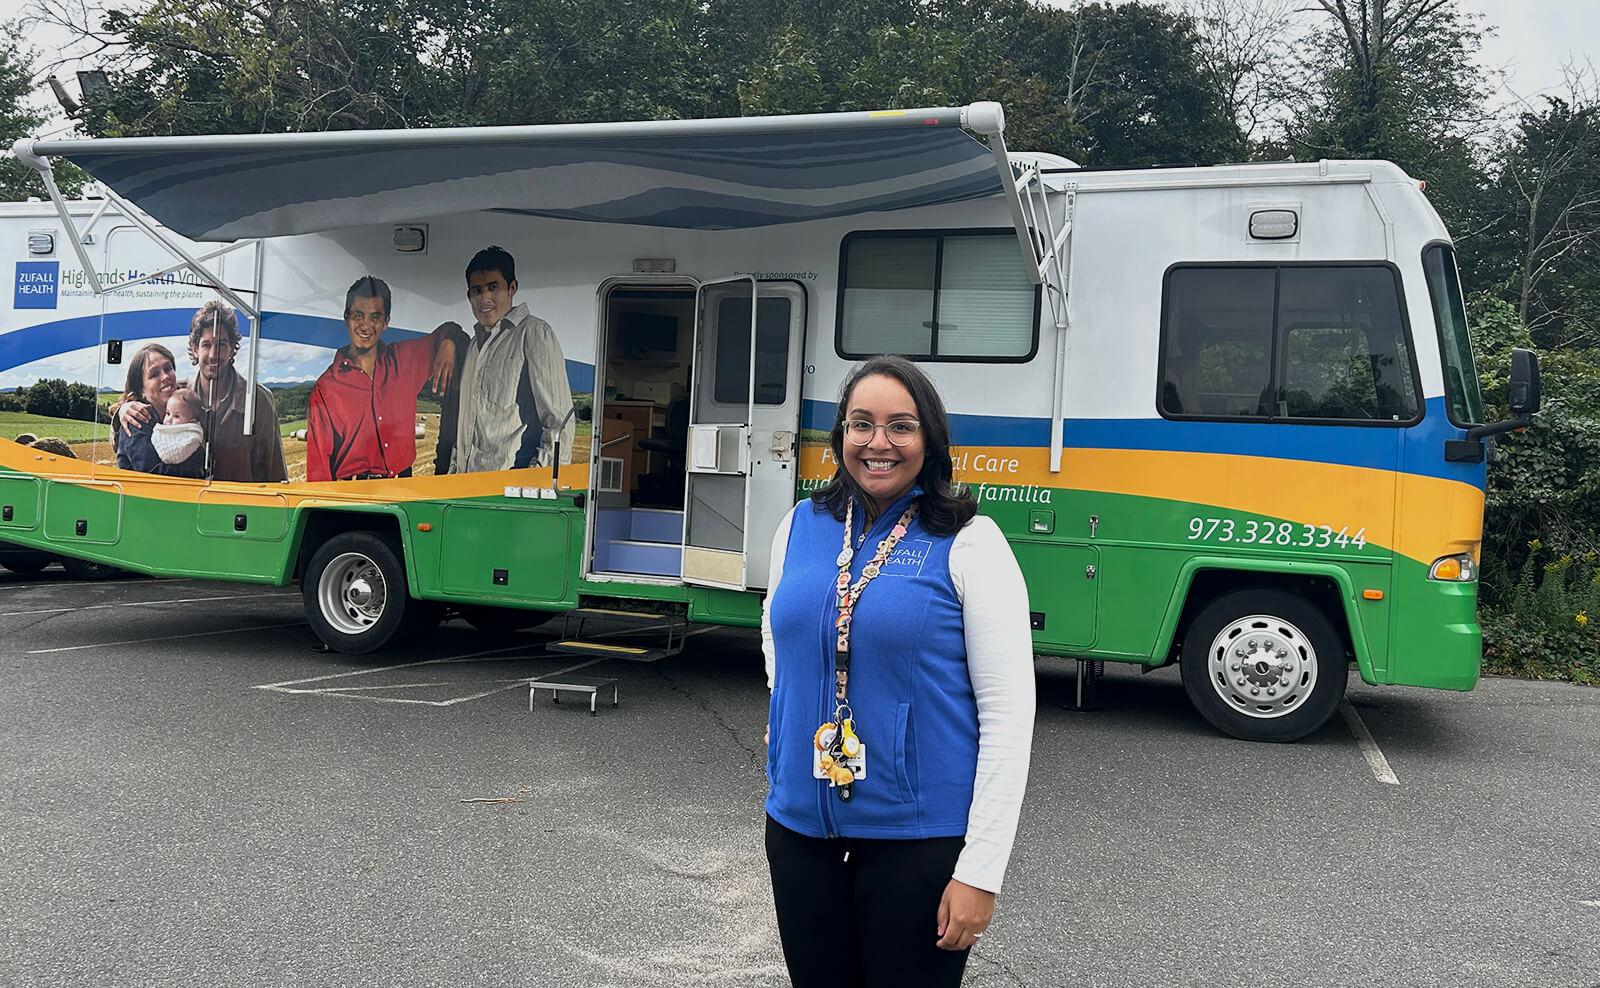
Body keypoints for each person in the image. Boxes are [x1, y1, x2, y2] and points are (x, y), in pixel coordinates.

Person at [761, 355, 1036, 987]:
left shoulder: (971, 542)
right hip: (801, 831)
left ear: (930, 440)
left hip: (919, 843)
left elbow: (1008, 714)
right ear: (840, 437)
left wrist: (980, 871)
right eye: (861, 424)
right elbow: (776, 636)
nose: (878, 442)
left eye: (900, 426)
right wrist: (787, 727)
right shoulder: (800, 526)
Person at [304, 275, 467, 482]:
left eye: (375, 317)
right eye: (358, 316)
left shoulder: (404, 360)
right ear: (346, 318)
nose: (365, 325)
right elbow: (318, 472)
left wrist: (448, 343)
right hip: (352, 498)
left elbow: (451, 329)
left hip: (404, 492)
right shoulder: (325, 389)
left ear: (386, 323)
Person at [117, 301, 288, 483]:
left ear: (232, 349)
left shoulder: (257, 399)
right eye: (206, 345)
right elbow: (135, 442)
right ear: (195, 349)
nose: (214, 354)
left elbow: (274, 470)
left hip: (240, 508)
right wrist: (123, 410)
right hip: (192, 508)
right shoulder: (179, 396)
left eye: (221, 344)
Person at [448, 246, 574, 473]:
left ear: (512, 288)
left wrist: (537, 480)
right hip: (465, 488)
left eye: (493, 287)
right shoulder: (475, 345)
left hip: (509, 490)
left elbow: (559, 421)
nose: (484, 298)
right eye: (476, 290)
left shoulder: (534, 333)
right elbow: (465, 425)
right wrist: (454, 474)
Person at [113, 344, 206, 478]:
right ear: (141, 391)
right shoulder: (135, 420)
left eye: (168, 368)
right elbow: (153, 473)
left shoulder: (189, 403)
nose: (165, 376)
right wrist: (197, 461)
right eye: (154, 374)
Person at [151, 387, 206, 470]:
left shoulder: (192, 438)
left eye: (177, 416)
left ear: (191, 422)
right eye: (168, 413)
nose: (168, 419)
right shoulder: (160, 430)